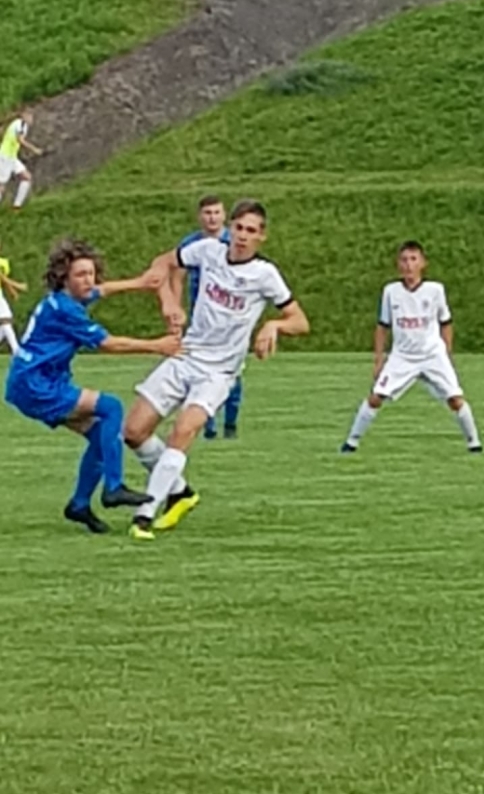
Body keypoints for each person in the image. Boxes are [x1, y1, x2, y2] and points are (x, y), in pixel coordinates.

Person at [124, 198, 310, 541]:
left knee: (183, 430)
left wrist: (274, 325)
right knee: (133, 431)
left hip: (219, 373)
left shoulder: (264, 275)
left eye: (251, 231)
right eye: (239, 228)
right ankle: (180, 493)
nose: (243, 236)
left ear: (261, 237)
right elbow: (164, 262)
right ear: (230, 228)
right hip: (186, 354)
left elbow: (300, 321)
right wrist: (169, 301)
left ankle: (144, 515)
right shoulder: (208, 251)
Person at [4, 238, 182, 533]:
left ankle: (79, 505)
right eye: (80, 275)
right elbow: (108, 344)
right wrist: (157, 345)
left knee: (102, 435)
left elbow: (101, 290)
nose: (89, 280)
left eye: (91, 273)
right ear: (64, 278)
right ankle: (113, 487)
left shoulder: (65, 299)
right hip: (37, 385)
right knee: (111, 407)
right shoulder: (67, 310)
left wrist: (138, 283)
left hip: (33, 381)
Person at [341, 241, 482, 454]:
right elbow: (382, 326)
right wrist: (378, 360)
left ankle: (474, 444)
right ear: (398, 264)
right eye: (404, 260)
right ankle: (351, 443)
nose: (408, 265)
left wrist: (447, 354)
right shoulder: (391, 291)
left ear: (423, 263)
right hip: (402, 357)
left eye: (413, 259)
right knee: (376, 397)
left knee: (455, 399)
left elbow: (446, 323)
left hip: (432, 355)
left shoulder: (435, 290)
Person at [173, 195, 244, 440]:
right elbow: (177, 275)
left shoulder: (235, 242)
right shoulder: (191, 243)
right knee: (200, 370)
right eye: (207, 213)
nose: (212, 218)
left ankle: (231, 424)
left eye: (216, 212)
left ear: (224, 216)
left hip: (230, 319)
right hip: (200, 320)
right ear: (200, 216)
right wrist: (176, 307)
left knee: (231, 370)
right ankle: (208, 426)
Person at [0, 108, 43, 211]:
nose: (31, 119)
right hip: (5, 157)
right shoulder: (20, 124)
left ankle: (16, 207)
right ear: (24, 116)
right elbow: (20, 140)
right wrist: (34, 149)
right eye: (29, 116)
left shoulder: (21, 125)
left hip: (12, 157)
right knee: (1, 186)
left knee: (27, 177)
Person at [0, 241, 26, 355]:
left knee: (5, 321)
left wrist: (12, 291)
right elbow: (2, 277)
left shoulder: (3, 262)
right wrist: (17, 286)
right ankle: (16, 350)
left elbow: (2, 280)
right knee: (6, 319)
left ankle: (16, 350)